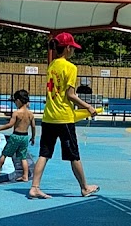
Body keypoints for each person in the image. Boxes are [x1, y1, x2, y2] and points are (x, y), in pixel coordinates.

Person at [28, 32, 99, 199]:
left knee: (44, 153)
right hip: (64, 118)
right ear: (67, 48)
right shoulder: (70, 67)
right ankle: (84, 188)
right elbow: (70, 95)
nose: (73, 50)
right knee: (73, 155)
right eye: (72, 48)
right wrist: (89, 107)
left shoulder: (52, 65)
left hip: (49, 116)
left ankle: (34, 187)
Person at [0, 90, 36, 181]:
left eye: (15, 101)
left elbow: (10, 125)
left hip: (16, 136)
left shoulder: (16, 113)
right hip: (25, 137)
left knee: (4, 154)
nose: (15, 103)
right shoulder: (30, 114)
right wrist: (33, 137)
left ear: (18, 101)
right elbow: (33, 127)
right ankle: (25, 175)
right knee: (23, 157)